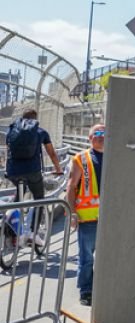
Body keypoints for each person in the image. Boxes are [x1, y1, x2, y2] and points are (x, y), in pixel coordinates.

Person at [5, 109, 63, 242]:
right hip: (32, 171)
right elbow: (52, 154)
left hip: (13, 171)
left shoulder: (12, 131)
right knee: (39, 198)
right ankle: (33, 233)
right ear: (35, 119)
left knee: (19, 194)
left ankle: (11, 226)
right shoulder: (40, 131)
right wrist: (58, 169)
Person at [65, 123, 105, 306]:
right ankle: (86, 291)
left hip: (111, 219)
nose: (101, 135)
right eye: (97, 133)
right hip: (88, 219)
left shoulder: (116, 157)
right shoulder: (81, 158)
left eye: (104, 132)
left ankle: (102, 288)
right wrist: (72, 213)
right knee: (87, 258)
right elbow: (71, 187)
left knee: (107, 256)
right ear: (90, 138)